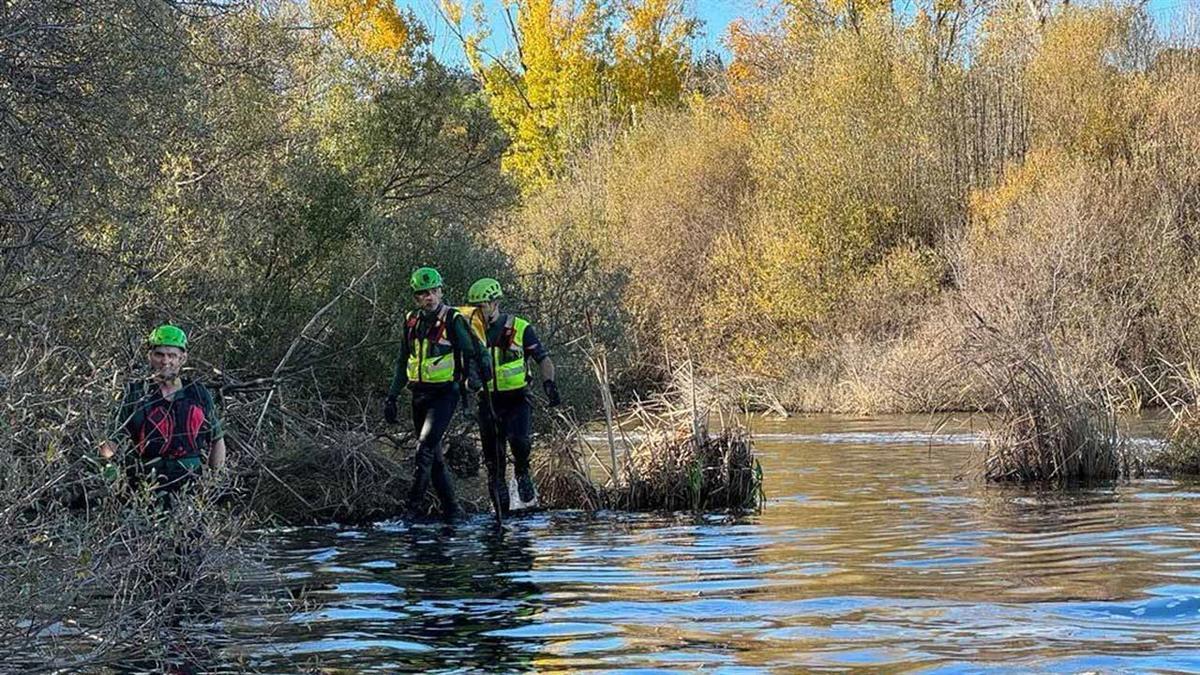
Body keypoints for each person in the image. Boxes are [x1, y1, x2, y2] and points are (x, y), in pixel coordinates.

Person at [385, 267, 490, 520]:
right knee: (435, 460)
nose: (429, 297)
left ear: (441, 291)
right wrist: (391, 396)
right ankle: (454, 511)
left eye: (433, 292)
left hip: (446, 394)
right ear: (416, 298)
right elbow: (402, 360)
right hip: (419, 394)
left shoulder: (453, 320)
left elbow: (473, 352)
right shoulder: (411, 320)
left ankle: (411, 511)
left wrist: (475, 380)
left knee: (424, 450)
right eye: (423, 294)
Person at [99, 324, 226, 507]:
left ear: (183, 358)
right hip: (144, 485)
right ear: (150, 356)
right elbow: (111, 441)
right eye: (159, 354)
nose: (165, 361)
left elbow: (216, 438)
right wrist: (112, 475)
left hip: (190, 485)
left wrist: (214, 483)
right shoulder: (134, 394)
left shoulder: (198, 393)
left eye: (172, 355)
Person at [466, 277, 560, 513]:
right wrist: (468, 380)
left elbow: (543, 359)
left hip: (517, 399)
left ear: (495, 303)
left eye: (483, 305)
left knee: (520, 442)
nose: (478, 311)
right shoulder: (469, 332)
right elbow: (462, 364)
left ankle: (522, 471)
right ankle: (501, 514)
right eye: (474, 306)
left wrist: (549, 384)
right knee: (493, 462)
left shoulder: (520, 327)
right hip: (487, 401)